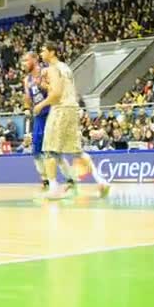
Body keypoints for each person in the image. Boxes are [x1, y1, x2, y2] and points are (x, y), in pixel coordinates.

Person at [34, 42, 109, 198]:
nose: (41, 53)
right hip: (72, 109)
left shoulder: (53, 69)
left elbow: (56, 94)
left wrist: (40, 105)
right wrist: (45, 86)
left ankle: (53, 189)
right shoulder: (66, 68)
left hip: (60, 109)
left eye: (43, 50)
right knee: (77, 150)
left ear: (52, 52)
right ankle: (101, 180)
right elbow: (63, 89)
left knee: (49, 150)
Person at [23, 52, 50, 190]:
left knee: (52, 148)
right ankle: (45, 179)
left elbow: (54, 91)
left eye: (26, 60)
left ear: (35, 59)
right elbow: (27, 97)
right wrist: (27, 108)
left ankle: (65, 179)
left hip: (51, 111)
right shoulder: (26, 79)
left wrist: (41, 85)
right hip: (39, 115)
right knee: (36, 149)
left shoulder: (45, 72)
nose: (24, 64)